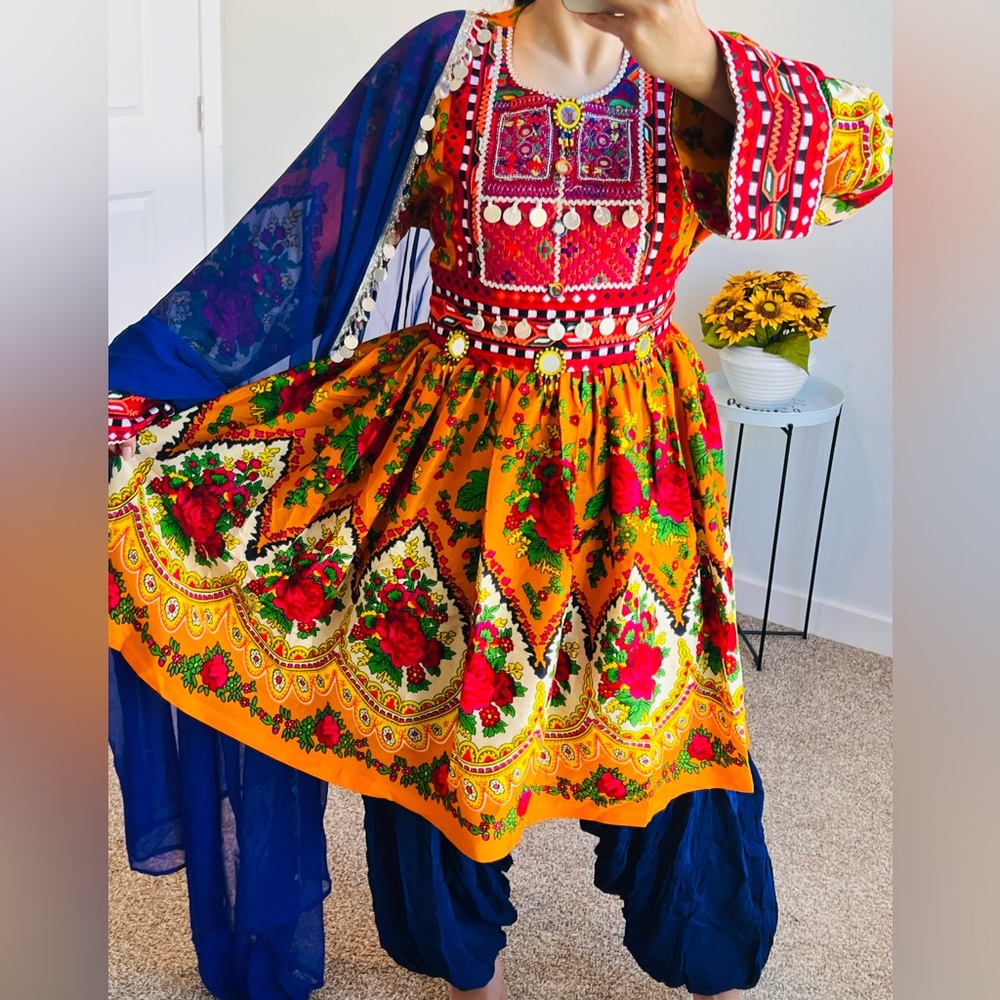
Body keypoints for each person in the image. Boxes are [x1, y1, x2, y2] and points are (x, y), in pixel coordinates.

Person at [107, 2, 892, 999]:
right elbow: (290, 248)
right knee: (446, 717)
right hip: (459, 470)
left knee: (662, 720)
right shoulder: (446, 65)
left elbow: (870, 156)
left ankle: (707, 954)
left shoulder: (697, 82)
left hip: (635, 478)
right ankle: (461, 965)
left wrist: (697, 61)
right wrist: (129, 391)